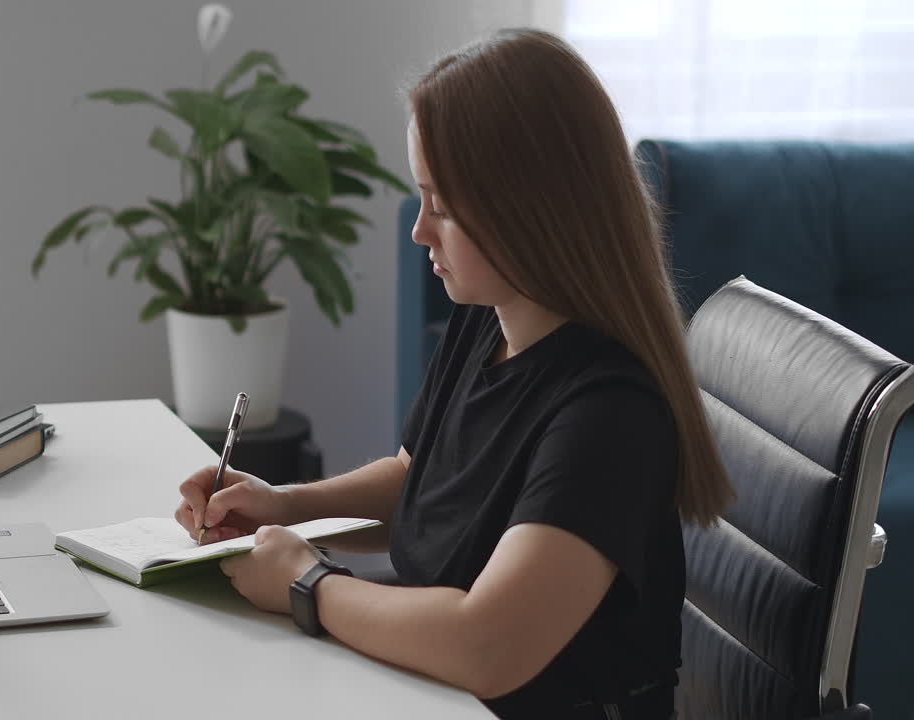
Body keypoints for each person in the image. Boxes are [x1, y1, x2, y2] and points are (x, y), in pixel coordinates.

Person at [174, 27, 733, 720]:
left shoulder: (610, 415)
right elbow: (418, 483)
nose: (420, 230)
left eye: (440, 205)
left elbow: (487, 645)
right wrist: (286, 506)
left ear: (527, 211)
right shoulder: (488, 318)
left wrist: (307, 582)